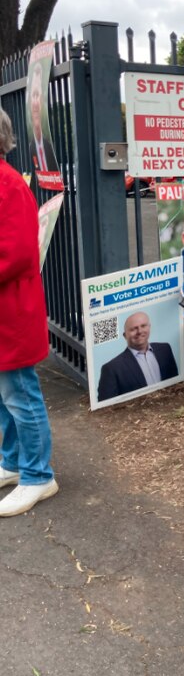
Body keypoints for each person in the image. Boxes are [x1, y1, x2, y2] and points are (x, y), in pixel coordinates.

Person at [0, 108, 59, 517]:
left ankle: (38, 475)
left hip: (11, 312)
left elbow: (18, 253)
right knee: (5, 396)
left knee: (19, 393)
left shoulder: (8, 184)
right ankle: (11, 461)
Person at [97, 312, 178, 402]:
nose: (139, 331)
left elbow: (176, 383)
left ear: (149, 327)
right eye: (133, 329)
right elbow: (105, 407)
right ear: (125, 335)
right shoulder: (112, 368)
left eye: (143, 326)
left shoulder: (165, 350)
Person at [28, 61, 57, 174]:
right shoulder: (29, 149)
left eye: (38, 95)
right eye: (33, 96)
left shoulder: (52, 147)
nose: (35, 102)